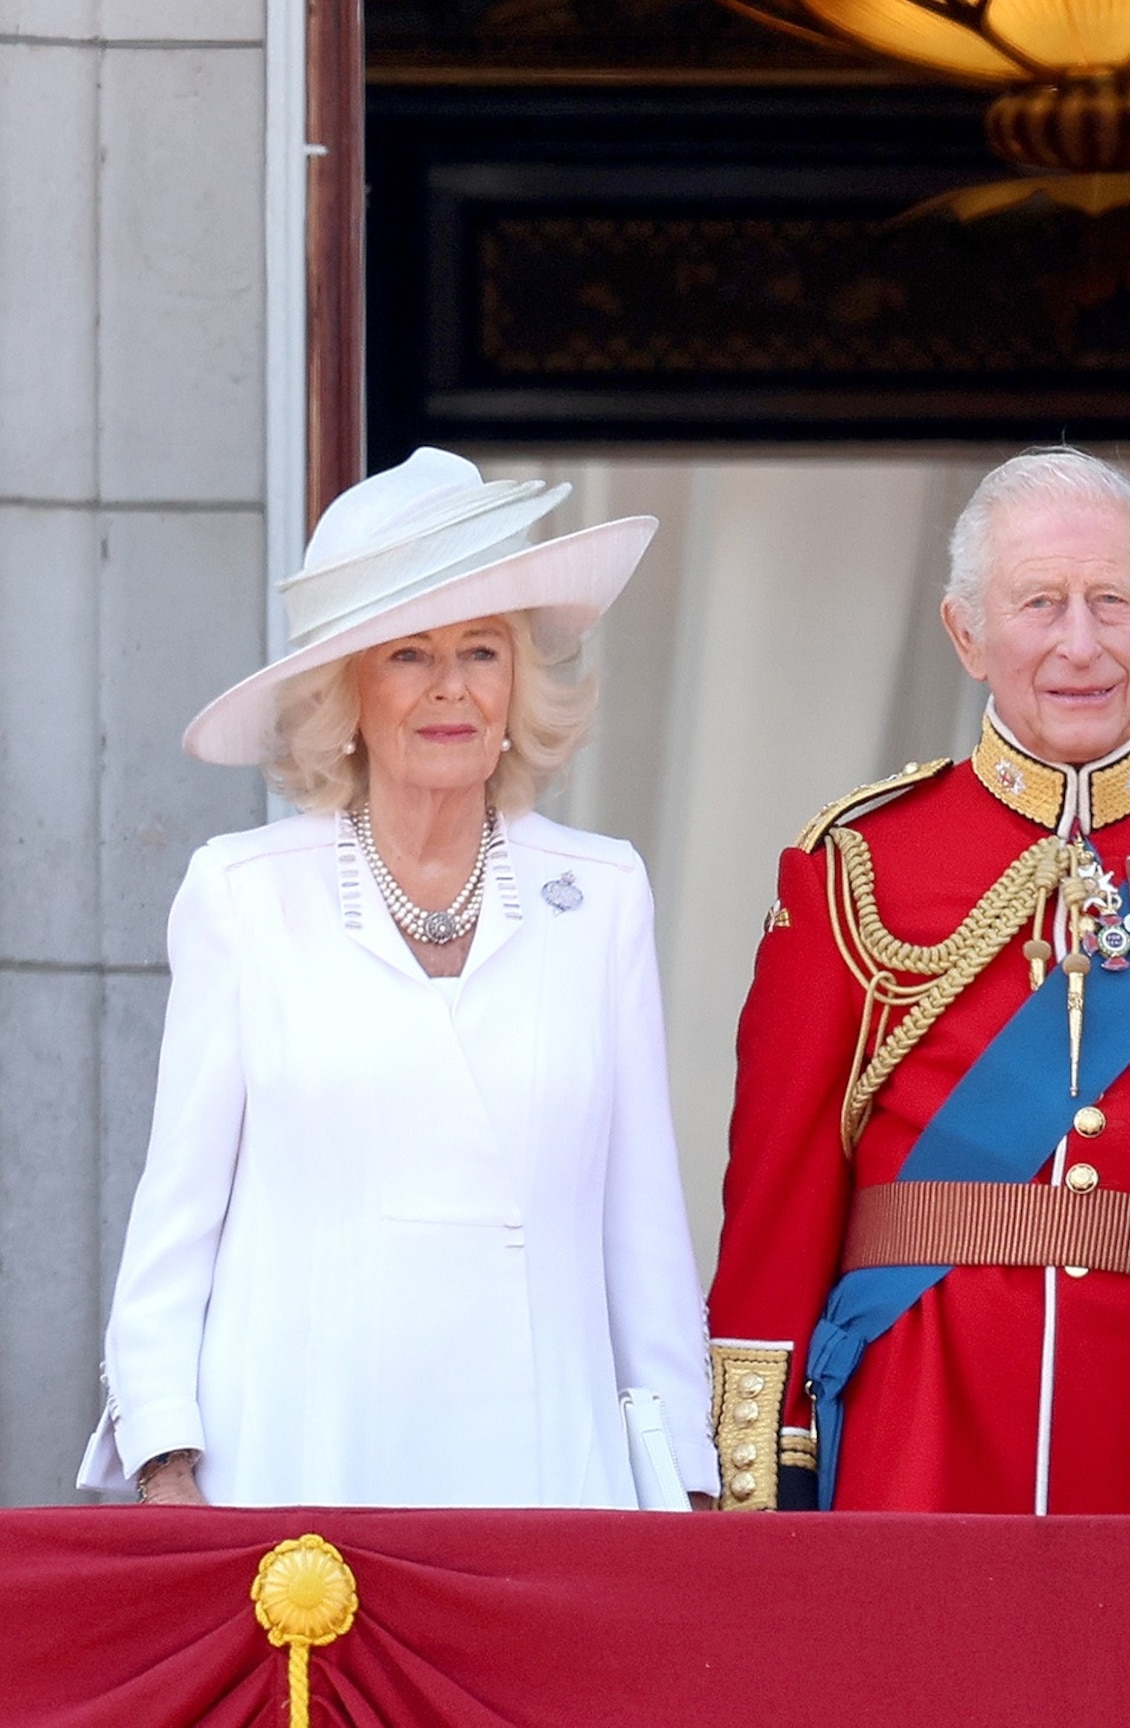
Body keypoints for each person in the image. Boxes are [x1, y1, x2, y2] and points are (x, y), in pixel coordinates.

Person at [705, 447, 1130, 1514]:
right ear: (967, 634)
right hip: (919, 1444)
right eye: (1039, 603)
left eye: (1112, 603)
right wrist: (762, 1488)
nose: (1080, 644)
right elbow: (777, 1211)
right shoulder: (855, 867)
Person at [85, 448, 717, 1508]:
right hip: (301, 1462)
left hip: (548, 1483)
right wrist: (165, 1460)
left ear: (518, 681)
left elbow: (641, 1224)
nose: (451, 689)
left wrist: (684, 1484)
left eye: (481, 650)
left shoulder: (600, 895)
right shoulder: (245, 894)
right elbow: (175, 1217)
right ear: (347, 694)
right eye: (410, 654)